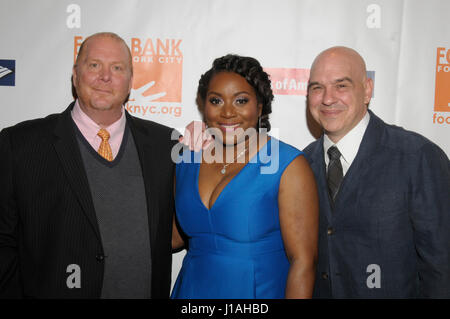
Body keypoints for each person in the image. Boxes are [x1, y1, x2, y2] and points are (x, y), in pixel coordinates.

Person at [0, 32, 176, 298]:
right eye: (94, 65)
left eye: (117, 68)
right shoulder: (20, 145)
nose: (105, 76)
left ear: (130, 81)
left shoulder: (167, 145)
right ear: (75, 74)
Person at [304, 46, 450, 298]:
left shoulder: (418, 157)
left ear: (367, 90)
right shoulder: (302, 163)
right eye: (317, 87)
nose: (327, 98)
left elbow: (441, 265)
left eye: (341, 85)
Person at [172, 54, 318, 299]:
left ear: (260, 106)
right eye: (216, 100)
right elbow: (174, 237)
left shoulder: (288, 165)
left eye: (241, 100)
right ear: (203, 105)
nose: (228, 112)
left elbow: (303, 263)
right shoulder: (187, 159)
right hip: (192, 291)